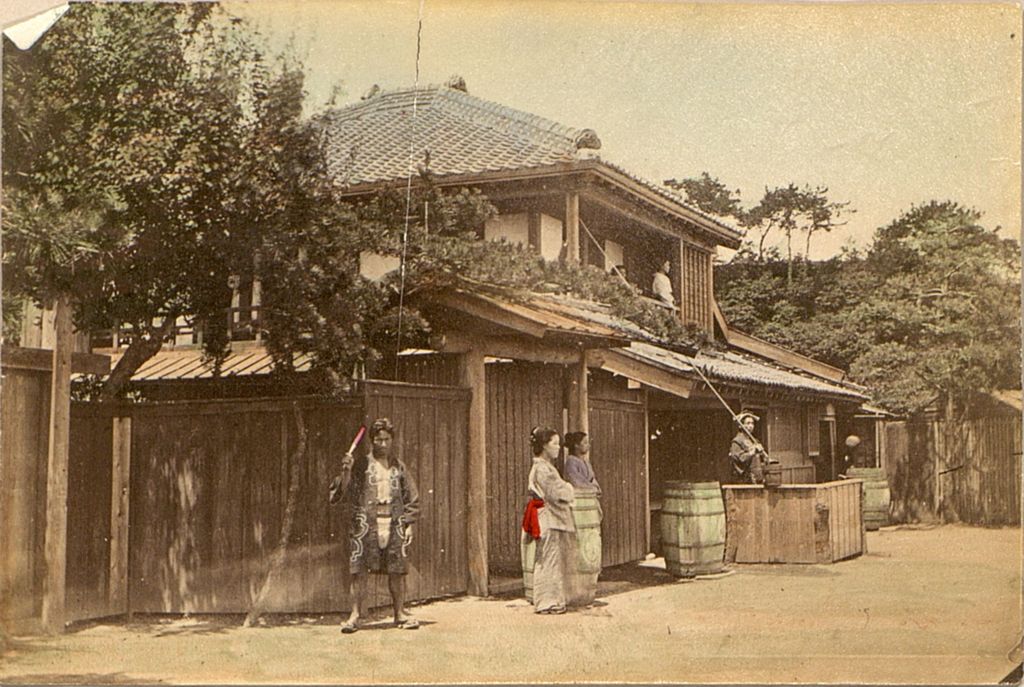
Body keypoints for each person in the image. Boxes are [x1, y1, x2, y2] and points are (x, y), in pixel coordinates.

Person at [329, 418, 420, 633]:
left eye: (387, 439)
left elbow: (412, 497)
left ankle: (399, 614)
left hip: (394, 522)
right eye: (379, 440)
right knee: (359, 571)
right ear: (372, 441)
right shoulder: (360, 464)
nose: (383, 444)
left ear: (392, 440)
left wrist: (409, 524)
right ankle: (355, 616)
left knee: (396, 571)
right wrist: (346, 471)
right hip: (365, 524)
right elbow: (341, 492)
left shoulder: (398, 466)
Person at [521, 427, 575, 615]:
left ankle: (550, 600)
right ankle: (547, 602)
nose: (558, 447)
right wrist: (568, 487)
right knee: (548, 559)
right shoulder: (543, 469)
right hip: (549, 518)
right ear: (544, 446)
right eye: (554, 443)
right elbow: (557, 493)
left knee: (548, 559)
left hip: (547, 516)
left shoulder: (543, 467)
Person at [729, 411, 768, 484]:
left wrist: (763, 455)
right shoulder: (737, 441)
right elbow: (739, 458)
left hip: (757, 477)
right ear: (741, 425)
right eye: (748, 423)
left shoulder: (754, 440)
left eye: (752, 423)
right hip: (745, 479)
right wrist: (752, 452)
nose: (751, 426)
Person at [563, 431, 601, 496]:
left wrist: (597, 487)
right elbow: (575, 481)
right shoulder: (571, 461)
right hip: (578, 496)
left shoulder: (586, 461)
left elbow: (592, 478)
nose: (588, 445)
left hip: (590, 495)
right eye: (585, 443)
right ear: (576, 445)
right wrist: (592, 488)